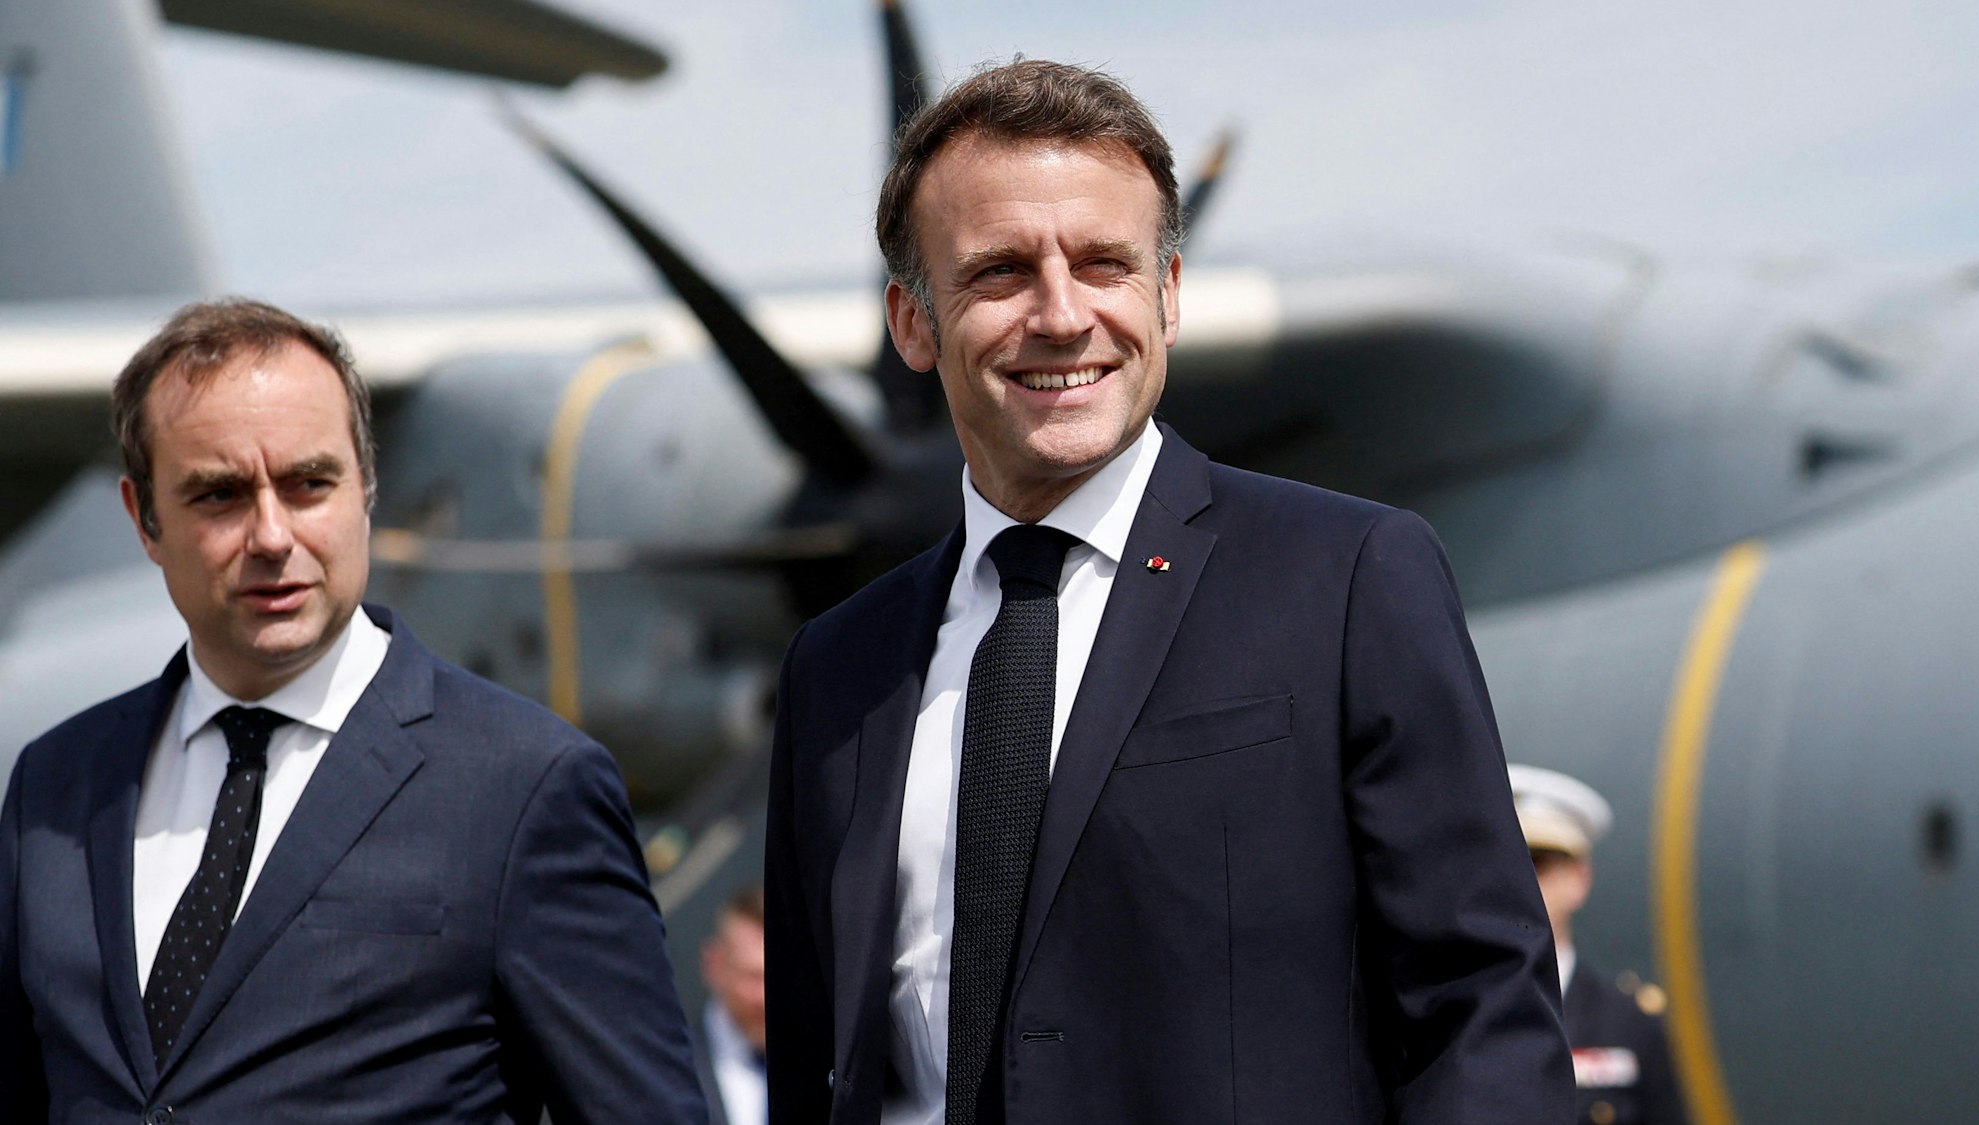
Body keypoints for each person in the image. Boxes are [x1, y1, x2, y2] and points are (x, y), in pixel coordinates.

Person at [764, 60, 1572, 1124]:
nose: (1060, 316)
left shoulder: (1344, 581)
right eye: (1000, 272)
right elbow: (815, 1058)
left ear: (1170, 295)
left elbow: (1480, 1012)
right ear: (910, 325)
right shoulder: (840, 668)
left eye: (1104, 264)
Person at [0, 299, 708, 1122]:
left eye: (308, 484)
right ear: (145, 519)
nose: (272, 534)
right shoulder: (58, 786)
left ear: (366, 489)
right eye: (220, 495)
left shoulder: (523, 787)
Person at [1511, 764, 1688, 1125]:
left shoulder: (1630, 1022)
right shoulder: (1439, 1009)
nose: (1521, 883)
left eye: (1538, 864)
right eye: (1507, 865)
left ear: (1579, 878)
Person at [697, 885, 769, 1125]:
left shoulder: (830, 1045)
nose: (766, 996)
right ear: (714, 964)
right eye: (753, 976)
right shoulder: (672, 1072)